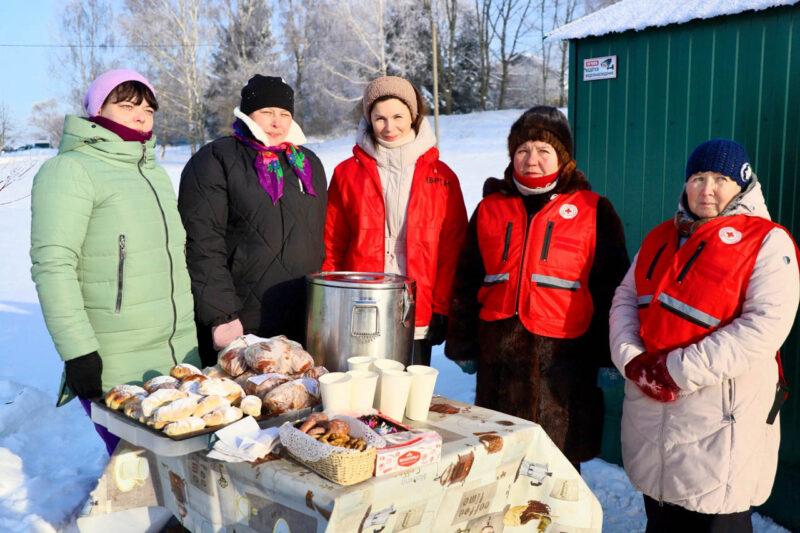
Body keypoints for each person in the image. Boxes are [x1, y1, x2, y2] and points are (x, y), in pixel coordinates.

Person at [609, 139, 800, 531]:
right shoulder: (659, 238)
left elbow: (764, 327)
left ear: (742, 185)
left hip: (718, 426)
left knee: (716, 520)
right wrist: (631, 360)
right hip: (652, 420)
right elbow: (625, 299)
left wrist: (674, 370)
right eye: (698, 178)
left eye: (720, 179)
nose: (706, 190)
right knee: (662, 518)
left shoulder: (767, 241)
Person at [445, 106, 629, 468]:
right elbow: (466, 281)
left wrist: (607, 355)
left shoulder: (594, 210)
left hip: (564, 366)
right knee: (499, 458)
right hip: (500, 362)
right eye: (523, 150)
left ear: (562, 156)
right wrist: (462, 343)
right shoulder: (489, 209)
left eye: (544, 150)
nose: (532, 159)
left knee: (557, 467)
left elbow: (612, 289)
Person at [30, 69, 200, 454]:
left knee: (175, 474)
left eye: (148, 110)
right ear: (97, 110)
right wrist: (78, 352)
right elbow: (53, 266)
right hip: (115, 360)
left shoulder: (153, 172)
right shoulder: (70, 170)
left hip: (176, 355)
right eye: (126, 106)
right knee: (132, 472)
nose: (141, 116)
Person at [179, 75, 327, 365]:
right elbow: (203, 244)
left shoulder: (307, 163)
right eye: (267, 112)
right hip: (242, 322)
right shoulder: (215, 160)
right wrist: (222, 315)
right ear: (247, 114)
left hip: (302, 315)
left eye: (284, 114)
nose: (277, 122)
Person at [323, 76, 467, 365]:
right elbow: (333, 242)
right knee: (361, 388)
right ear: (369, 120)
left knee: (410, 388)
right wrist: (331, 299)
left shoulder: (443, 177)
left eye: (398, 116)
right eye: (380, 118)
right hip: (362, 299)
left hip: (418, 300)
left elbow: (453, 248)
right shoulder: (346, 174)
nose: (389, 127)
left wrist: (442, 306)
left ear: (413, 116)